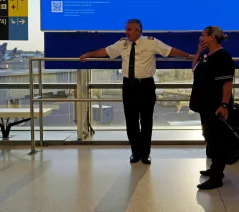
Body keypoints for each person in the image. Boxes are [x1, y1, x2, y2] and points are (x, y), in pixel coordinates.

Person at [80, 19, 193, 165]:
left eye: (130, 29)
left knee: (146, 120)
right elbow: (105, 51)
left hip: (146, 85)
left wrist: (189, 56)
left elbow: (170, 50)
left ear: (139, 31)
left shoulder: (151, 42)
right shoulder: (122, 43)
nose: (127, 32)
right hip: (129, 86)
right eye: (126, 29)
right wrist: (88, 54)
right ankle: (135, 152)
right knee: (131, 121)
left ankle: (145, 154)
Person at [189, 25, 235, 190]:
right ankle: (215, 168)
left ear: (211, 37)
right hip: (205, 105)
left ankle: (217, 177)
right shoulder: (207, 55)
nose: (201, 38)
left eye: (203, 35)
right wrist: (198, 52)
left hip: (216, 106)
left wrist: (224, 105)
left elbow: (227, 84)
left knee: (217, 139)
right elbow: (194, 69)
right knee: (209, 137)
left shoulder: (223, 57)